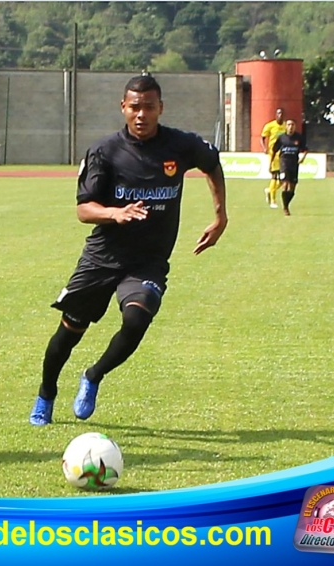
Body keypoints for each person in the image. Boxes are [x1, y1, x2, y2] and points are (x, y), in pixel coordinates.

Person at [29, 74, 228, 426]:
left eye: (149, 107)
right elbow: (83, 210)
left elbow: (212, 165)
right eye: (134, 106)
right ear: (123, 107)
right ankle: (46, 393)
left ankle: (93, 376)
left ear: (160, 109)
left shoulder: (180, 145)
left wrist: (220, 216)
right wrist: (114, 213)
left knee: (137, 319)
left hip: (148, 262)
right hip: (102, 259)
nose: (141, 114)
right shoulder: (105, 152)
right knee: (67, 335)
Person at [270, 118, 308, 216]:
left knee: (292, 188)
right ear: (286, 126)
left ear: (295, 127)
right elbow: (274, 151)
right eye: (289, 125)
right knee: (285, 184)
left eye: (292, 125)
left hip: (294, 165)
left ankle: (286, 204)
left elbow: (305, 149)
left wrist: (303, 157)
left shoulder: (299, 138)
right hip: (284, 164)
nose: (291, 127)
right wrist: (270, 164)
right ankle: (285, 208)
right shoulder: (281, 138)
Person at [260, 107, 286, 209]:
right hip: (274, 154)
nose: (280, 115)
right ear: (276, 115)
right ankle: (273, 200)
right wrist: (264, 148)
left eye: (282, 114)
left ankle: (269, 190)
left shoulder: (285, 126)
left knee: (284, 179)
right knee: (275, 176)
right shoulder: (270, 126)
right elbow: (262, 137)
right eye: (278, 113)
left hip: (284, 155)